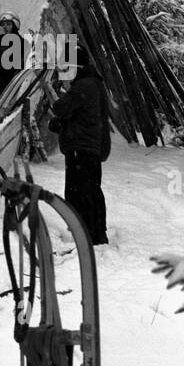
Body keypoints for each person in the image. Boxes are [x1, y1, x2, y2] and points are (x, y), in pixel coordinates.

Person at [49, 48, 111, 246]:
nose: (64, 71)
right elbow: (78, 116)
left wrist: (51, 90)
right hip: (89, 147)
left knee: (80, 193)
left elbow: (61, 108)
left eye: (67, 67)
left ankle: (88, 237)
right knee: (90, 191)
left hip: (82, 149)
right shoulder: (93, 84)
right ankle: (96, 234)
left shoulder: (83, 86)